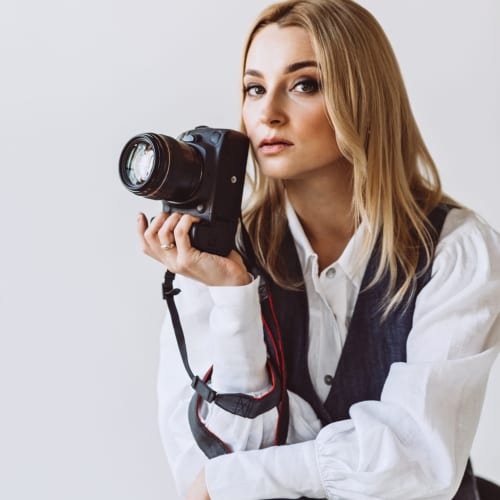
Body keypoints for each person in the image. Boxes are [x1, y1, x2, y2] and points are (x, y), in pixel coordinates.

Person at [137, 0, 500, 498]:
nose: (267, 113)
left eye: (304, 84)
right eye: (254, 88)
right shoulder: (218, 256)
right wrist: (233, 298)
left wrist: (249, 472)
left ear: (364, 98)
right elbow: (213, 454)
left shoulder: (455, 249)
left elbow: (419, 463)